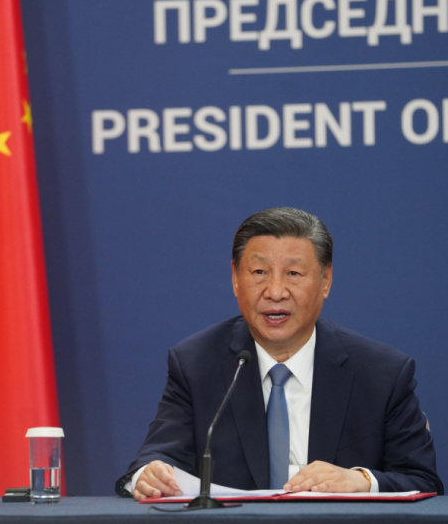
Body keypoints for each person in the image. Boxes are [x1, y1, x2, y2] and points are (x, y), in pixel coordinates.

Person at [115, 207, 443, 500]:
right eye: (259, 272)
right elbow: (155, 458)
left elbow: (423, 480)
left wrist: (361, 481)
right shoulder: (196, 364)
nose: (274, 292)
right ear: (235, 278)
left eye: (293, 274)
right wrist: (148, 476)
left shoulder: (382, 374)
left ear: (326, 280)